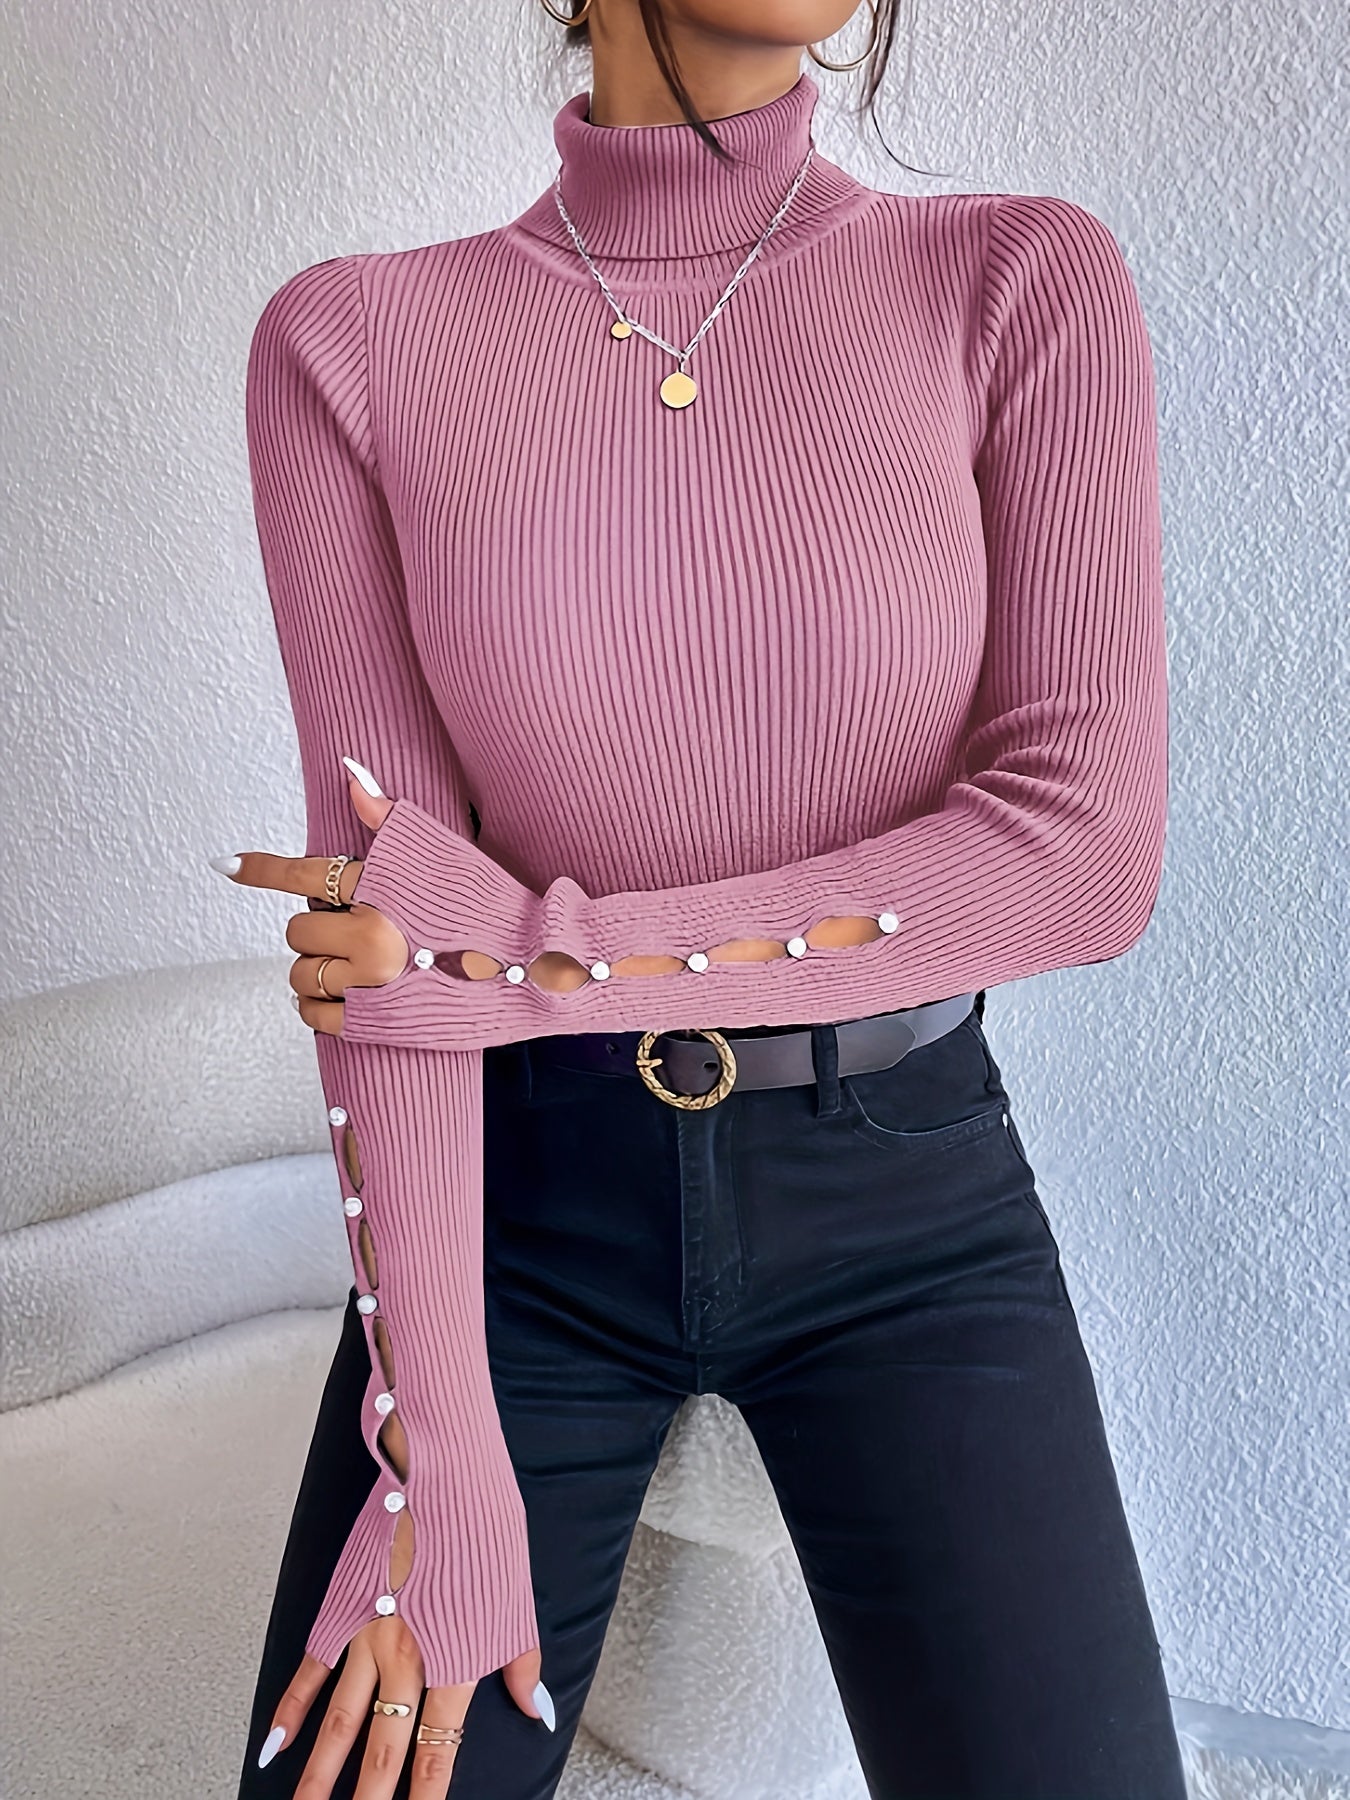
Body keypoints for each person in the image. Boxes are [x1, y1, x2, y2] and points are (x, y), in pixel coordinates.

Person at [221, 2, 1188, 1795]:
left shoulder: (1013, 282)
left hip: (905, 1204)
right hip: (518, 1223)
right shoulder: (353, 341)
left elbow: (1079, 855)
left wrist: (542, 957)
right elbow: (390, 952)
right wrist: (433, 1449)